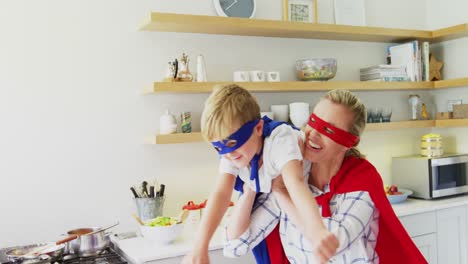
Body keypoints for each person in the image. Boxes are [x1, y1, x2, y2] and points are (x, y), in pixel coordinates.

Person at [224, 89, 427, 264]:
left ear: (349, 143)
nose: (312, 133)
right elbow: (236, 245)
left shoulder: (362, 181)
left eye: (328, 130)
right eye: (313, 121)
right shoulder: (292, 174)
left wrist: (281, 191)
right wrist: (255, 178)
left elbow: (332, 243)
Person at [182, 84, 338, 264]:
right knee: (233, 245)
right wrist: (199, 248)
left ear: (258, 129)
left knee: (313, 243)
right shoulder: (232, 152)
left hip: (291, 185)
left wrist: (317, 229)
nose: (227, 154)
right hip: (268, 187)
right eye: (218, 147)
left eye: (232, 143)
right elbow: (221, 193)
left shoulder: (280, 141)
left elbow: (295, 183)